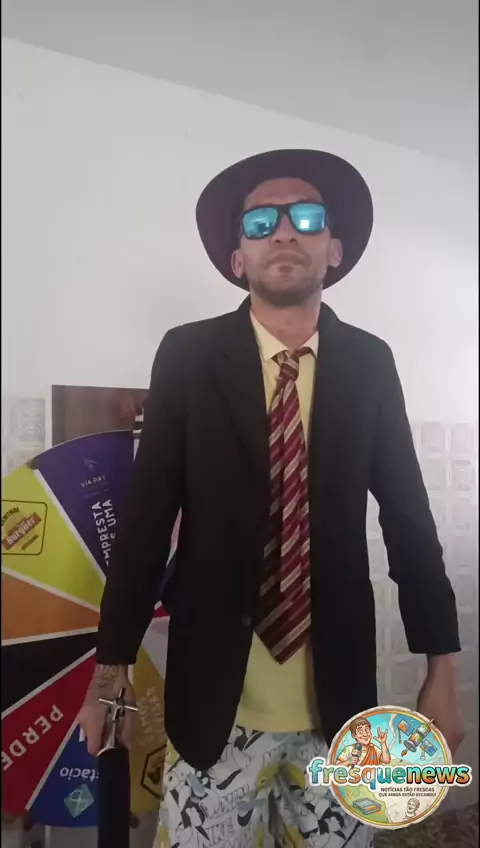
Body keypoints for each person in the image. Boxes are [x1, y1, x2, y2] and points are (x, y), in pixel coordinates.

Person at [79, 149, 464, 847]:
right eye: (261, 222)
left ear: (333, 249)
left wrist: (443, 669)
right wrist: (111, 673)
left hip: (338, 708)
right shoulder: (188, 356)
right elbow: (146, 524)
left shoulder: (370, 362)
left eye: (306, 217)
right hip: (214, 707)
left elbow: (409, 520)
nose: (284, 231)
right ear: (238, 258)